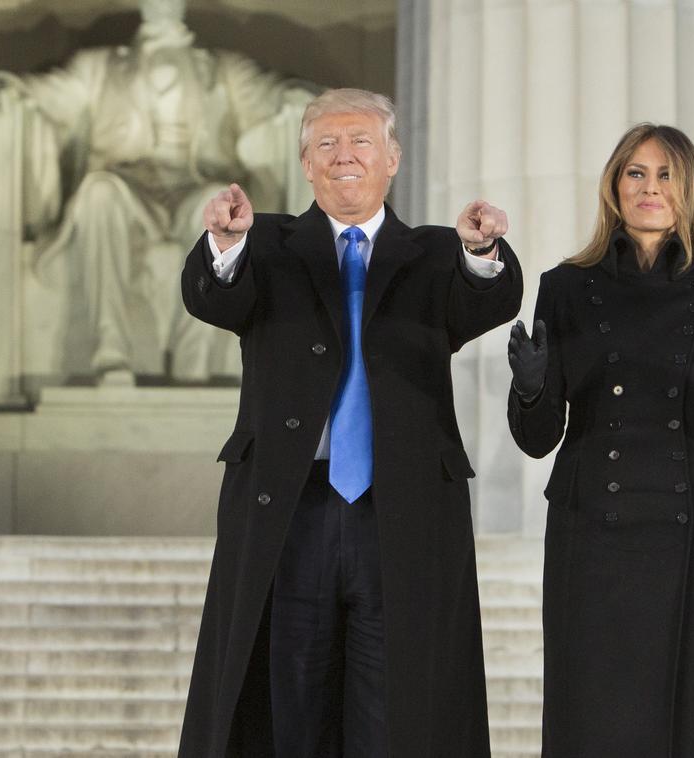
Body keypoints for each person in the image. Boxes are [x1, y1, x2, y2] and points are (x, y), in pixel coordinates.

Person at [178, 88, 523, 757]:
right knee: (290, 706)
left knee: (395, 711)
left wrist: (481, 253)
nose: (344, 156)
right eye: (327, 144)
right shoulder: (269, 245)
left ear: (392, 158)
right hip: (292, 512)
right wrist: (223, 240)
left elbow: (487, 301)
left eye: (361, 141)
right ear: (306, 164)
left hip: (402, 510)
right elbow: (217, 298)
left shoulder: (432, 253)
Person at [507, 123, 694, 757]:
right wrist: (529, 388)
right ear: (614, 185)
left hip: (693, 531)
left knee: (691, 715)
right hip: (591, 526)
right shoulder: (566, 287)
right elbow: (538, 439)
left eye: (664, 175)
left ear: (688, 190)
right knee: (589, 714)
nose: (649, 188)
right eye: (636, 173)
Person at [0, 0, 314, 388]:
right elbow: (51, 93)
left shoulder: (222, 68)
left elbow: (272, 95)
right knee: (97, 191)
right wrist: (11, 87)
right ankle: (111, 352)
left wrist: (300, 97)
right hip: (127, 186)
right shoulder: (101, 66)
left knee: (219, 202)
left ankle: (193, 361)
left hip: (193, 185)